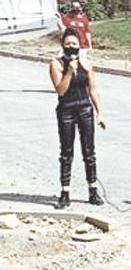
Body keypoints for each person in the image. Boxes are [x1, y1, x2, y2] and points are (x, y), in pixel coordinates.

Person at [49, 28, 106, 209]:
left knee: (89, 151)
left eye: (74, 44)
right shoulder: (56, 64)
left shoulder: (87, 63)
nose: (71, 47)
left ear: (80, 45)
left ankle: (92, 190)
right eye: (68, 44)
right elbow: (60, 90)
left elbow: (93, 89)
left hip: (84, 108)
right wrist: (69, 72)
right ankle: (65, 193)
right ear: (62, 46)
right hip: (66, 110)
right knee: (66, 153)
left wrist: (100, 113)